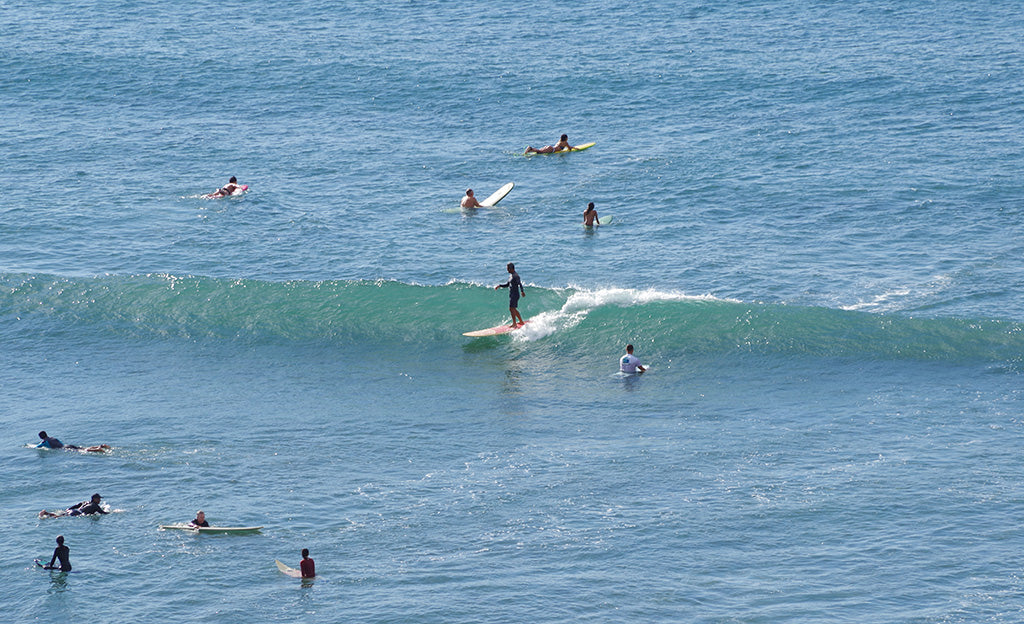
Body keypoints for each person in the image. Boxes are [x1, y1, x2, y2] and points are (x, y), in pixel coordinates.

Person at [495, 262, 526, 327]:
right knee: (512, 308)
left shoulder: (515, 275)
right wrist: (499, 285)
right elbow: (507, 285)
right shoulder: (511, 276)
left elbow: (520, 284)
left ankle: (514, 324)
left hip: (515, 294)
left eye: (508, 268)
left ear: (511, 268)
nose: (507, 270)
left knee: (511, 308)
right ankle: (521, 321)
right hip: (512, 294)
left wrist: (522, 291)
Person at [39, 493, 108, 518]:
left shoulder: (85, 502)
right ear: (95, 499)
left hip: (73, 510)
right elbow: (103, 513)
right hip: (77, 513)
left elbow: (76, 505)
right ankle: (47, 514)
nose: (100, 500)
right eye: (99, 499)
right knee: (59, 517)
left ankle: (46, 513)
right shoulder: (95, 506)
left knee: (62, 515)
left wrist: (68, 509)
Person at [34, 431, 110, 453]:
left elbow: (37, 447)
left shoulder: (44, 442)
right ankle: (101, 446)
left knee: (82, 450)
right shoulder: (53, 438)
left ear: (41, 437)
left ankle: (98, 449)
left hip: (64, 449)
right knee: (83, 448)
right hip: (67, 445)